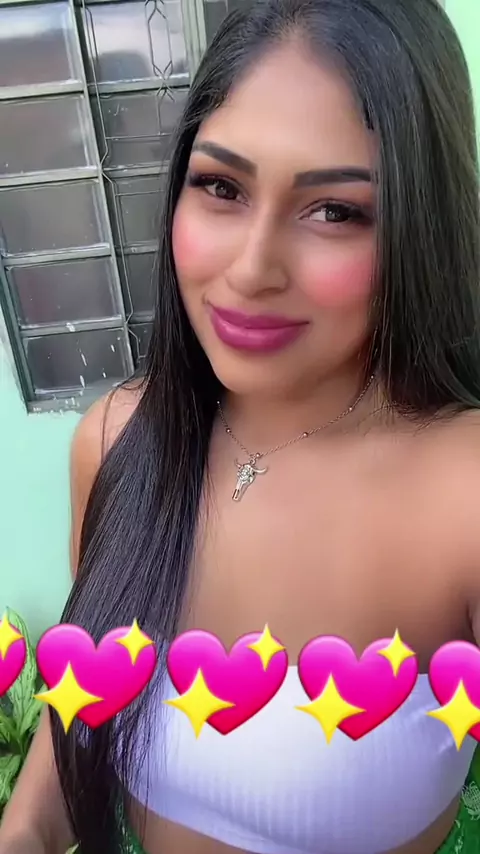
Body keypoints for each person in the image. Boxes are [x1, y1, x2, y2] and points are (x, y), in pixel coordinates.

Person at [2, 0, 480, 852]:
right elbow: (84, 709)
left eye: (334, 211)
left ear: (422, 228)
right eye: (221, 187)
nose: (253, 268)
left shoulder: (462, 493)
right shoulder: (117, 441)